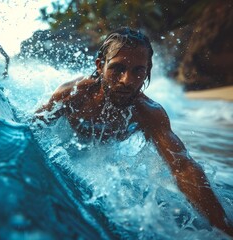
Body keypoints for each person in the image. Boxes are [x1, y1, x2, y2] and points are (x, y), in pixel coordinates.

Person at [34, 27, 233, 236]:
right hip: (64, 147)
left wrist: (222, 226)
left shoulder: (149, 113)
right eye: (117, 68)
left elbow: (183, 167)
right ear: (100, 66)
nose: (127, 80)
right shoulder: (73, 95)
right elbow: (29, 129)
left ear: (147, 71)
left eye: (138, 71)